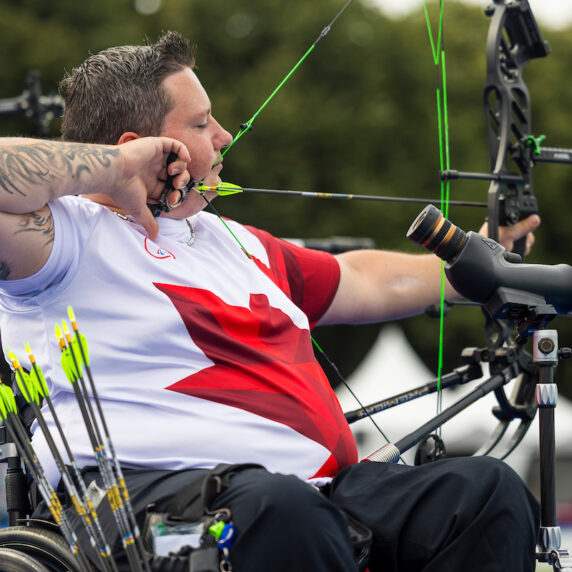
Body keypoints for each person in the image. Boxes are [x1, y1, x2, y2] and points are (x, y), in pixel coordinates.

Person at [0, 32, 541, 572]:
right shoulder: (67, 237)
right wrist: (115, 168)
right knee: (282, 513)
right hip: (149, 505)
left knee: (480, 494)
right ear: (137, 144)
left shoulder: (229, 241)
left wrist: (480, 261)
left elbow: (367, 279)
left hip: (314, 498)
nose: (224, 135)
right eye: (200, 124)